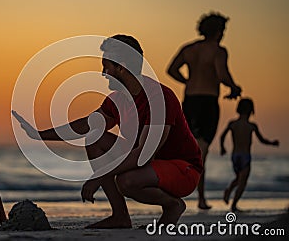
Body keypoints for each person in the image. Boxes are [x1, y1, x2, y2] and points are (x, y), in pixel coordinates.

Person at [13, 34, 203, 228]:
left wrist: (98, 176)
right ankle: (120, 216)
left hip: (184, 170)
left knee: (126, 181)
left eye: (107, 66)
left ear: (121, 67)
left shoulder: (159, 97)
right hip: (153, 163)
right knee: (94, 138)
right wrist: (39, 134)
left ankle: (173, 205)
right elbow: (85, 125)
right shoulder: (117, 100)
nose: (103, 73)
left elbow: (143, 155)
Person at [167, 12, 242, 209]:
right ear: (218, 32)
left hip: (190, 101)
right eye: (223, 31)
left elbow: (171, 69)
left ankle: (171, 192)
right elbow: (222, 74)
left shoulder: (189, 49)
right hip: (208, 102)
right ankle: (200, 199)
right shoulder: (218, 50)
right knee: (202, 153)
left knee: (187, 150)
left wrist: (188, 81)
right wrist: (234, 88)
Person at [220, 98, 279, 212]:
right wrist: (272, 143)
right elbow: (262, 140)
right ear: (251, 110)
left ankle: (228, 190)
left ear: (238, 109)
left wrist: (223, 148)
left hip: (235, 156)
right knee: (242, 182)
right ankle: (234, 205)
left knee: (238, 178)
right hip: (245, 157)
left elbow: (222, 136)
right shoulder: (252, 126)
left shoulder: (233, 124)